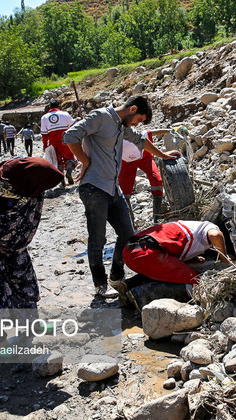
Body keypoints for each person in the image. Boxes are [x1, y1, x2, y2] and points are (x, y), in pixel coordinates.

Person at [63, 95, 179, 298]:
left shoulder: (122, 126)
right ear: (132, 109)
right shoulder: (100, 117)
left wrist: (164, 156)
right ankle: (100, 286)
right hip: (94, 187)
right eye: (139, 120)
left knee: (128, 235)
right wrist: (84, 160)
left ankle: (116, 277)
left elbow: (142, 140)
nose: (137, 124)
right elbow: (70, 135)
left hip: (113, 188)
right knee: (97, 238)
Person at [0, 157, 63, 347]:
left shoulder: (24, 183)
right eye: (43, 186)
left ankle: (31, 324)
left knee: (23, 276)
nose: (43, 192)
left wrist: (12, 243)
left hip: (12, 241)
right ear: (31, 182)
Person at [121, 220, 230, 309]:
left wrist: (192, 258)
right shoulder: (208, 227)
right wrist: (225, 261)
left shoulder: (186, 227)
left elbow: (172, 248)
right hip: (148, 254)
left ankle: (129, 284)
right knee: (196, 283)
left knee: (164, 272)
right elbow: (215, 235)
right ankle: (141, 294)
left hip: (130, 251)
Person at [119, 128, 170, 224]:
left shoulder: (139, 135)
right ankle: (130, 222)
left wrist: (170, 130)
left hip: (144, 159)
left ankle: (157, 217)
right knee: (124, 192)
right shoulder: (113, 139)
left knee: (157, 180)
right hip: (125, 163)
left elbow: (152, 132)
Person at [41, 100, 76, 185]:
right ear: (58, 107)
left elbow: (44, 134)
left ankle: (61, 180)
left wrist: (45, 145)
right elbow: (74, 126)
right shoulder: (65, 114)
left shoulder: (44, 117)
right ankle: (69, 171)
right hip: (66, 141)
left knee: (57, 161)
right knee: (70, 157)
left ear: (49, 107)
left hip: (53, 143)